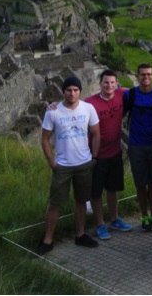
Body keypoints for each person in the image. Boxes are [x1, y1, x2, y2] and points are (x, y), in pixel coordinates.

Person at [38, 75, 100, 253]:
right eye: (69, 90)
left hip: (84, 163)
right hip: (62, 166)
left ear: (80, 91)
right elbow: (45, 139)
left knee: (81, 201)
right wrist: (53, 163)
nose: (72, 93)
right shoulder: (53, 111)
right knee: (55, 203)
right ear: (63, 92)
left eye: (75, 90)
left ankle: (80, 235)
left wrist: (94, 158)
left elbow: (96, 134)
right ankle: (48, 240)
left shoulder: (88, 109)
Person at [83, 69, 134, 239]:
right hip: (96, 154)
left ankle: (114, 219)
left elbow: (140, 90)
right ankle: (100, 224)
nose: (109, 86)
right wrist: (54, 105)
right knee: (96, 192)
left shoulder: (121, 94)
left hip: (115, 152)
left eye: (113, 82)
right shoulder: (90, 103)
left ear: (117, 84)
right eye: (106, 82)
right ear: (100, 83)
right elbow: (72, 107)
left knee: (113, 189)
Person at [124, 63, 152, 231]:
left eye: (149, 74)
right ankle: (144, 217)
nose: (146, 77)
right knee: (140, 184)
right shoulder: (130, 95)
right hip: (137, 145)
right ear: (138, 75)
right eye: (142, 74)